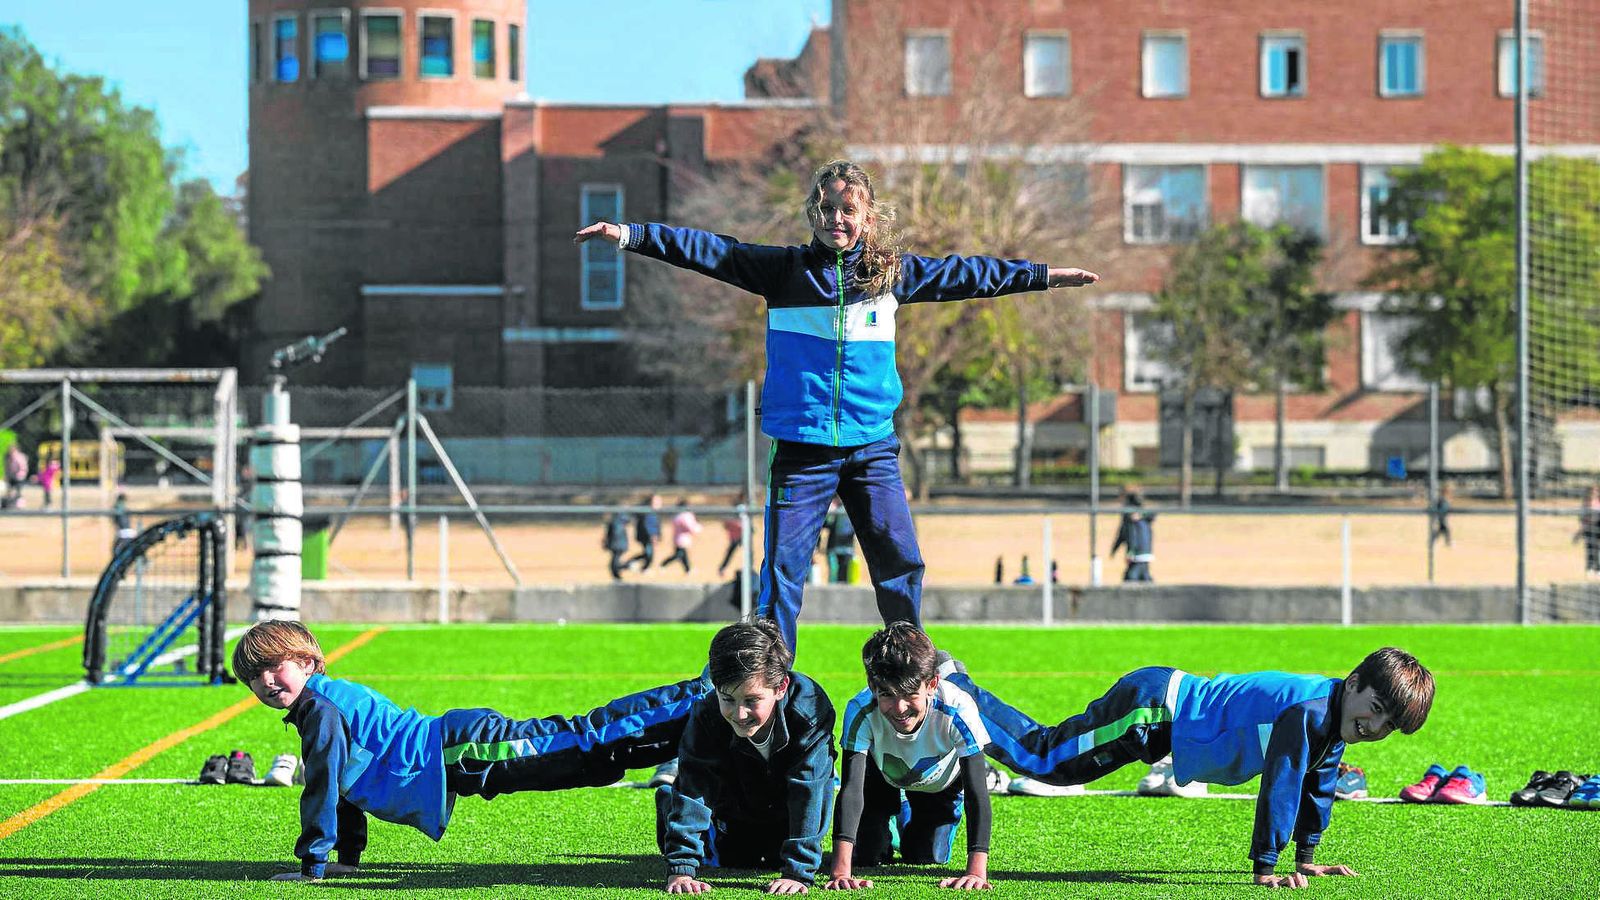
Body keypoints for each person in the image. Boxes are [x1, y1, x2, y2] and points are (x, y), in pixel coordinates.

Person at [575, 159, 1099, 654]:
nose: (837, 219)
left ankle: (908, 670)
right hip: (803, 451)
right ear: (813, 213)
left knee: (899, 562)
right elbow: (709, 249)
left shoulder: (891, 276)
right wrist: (628, 235)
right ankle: (773, 678)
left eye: (849, 210)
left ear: (867, 216)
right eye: (827, 208)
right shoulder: (782, 272)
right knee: (782, 571)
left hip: (871, 448)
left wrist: (1044, 275)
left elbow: (970, 274)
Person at [231, 619, 707, 882]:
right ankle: (698, 729)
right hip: (461, 757)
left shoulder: (321, 707)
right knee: (591, 758)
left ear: (309, 662)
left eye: (275, 666)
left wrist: (312, 866)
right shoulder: (318, 709)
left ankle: (699, 695)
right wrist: (346, 859)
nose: (267, 681)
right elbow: (340, 788)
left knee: (586, 739)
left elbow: (320, 786)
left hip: (465, 749)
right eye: (254, 676)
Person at [943, 647, 1434, 889]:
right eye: (1375, 708)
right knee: (1046, 760)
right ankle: (953, 686)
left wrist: (1306, 856)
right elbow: (1281, 786)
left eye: (1388, 725)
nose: (1374, 726)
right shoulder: (1308, 713)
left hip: (1165, 722)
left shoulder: (1332, 722)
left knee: (1049, 760)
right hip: (1154, 709)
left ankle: (958, 686)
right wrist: (1266, 869)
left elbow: (1318, 785)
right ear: (1353, 684)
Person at [657, 618, 836, 894]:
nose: (739, 714)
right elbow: (695, 787)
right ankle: (668, 805)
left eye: (752, 700)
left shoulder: (809, 711)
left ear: (780, 688)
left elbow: (810, 791)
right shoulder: (707, 714)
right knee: (731, 860)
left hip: (783, 811)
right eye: (728, 699)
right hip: (734, 808)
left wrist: (798, 872)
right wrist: (682, 868)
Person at [829, 622, 993, 891]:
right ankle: (891, 812)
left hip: (940, 785)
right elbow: (851, 788)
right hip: (881, 778)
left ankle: (904, 808)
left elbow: (977, 793)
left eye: (910, 694)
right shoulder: (860, 710)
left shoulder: (958, 707)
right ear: (872, 686)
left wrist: (976, 872)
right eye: (887, 695)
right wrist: (840, 871)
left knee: (925, 856)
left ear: (931, 684)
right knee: (868, 856)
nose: (900, 708)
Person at [1109, 487, 1155, 583]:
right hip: (1145, 552)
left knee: (1131, 579)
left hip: (1137, 553)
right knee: (1144, 577)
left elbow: (1128, 534)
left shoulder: (1129, 514)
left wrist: (1131, 552)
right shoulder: (1140, 513)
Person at [662, 497, 702, 573]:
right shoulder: (684, 516)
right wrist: (698, 528)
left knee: (683, 555)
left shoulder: (678, 516)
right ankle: (664, 564)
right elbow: (690, 527)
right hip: (682, 539)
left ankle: (688, 569)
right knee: (679, 555)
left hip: (679, 538)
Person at [823, 497, 857, 583]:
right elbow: (826, 525)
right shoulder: (834, 510)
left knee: (844, 574)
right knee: (834, 573)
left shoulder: (852, 510)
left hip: (847, 547)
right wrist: (830, 514)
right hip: (834, 547)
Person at [627, 494, 664, 572]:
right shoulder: (648, 513)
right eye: (657, 501)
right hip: (646, 537)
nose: (660, 503)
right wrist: (653, 536)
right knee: (649, 553)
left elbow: (656, 526)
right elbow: (648, 526)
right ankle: (636, 565)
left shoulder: (653, 513)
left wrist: (658, 535)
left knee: (649, 553)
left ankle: (639, 566)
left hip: (649, 536)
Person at [717, 492, 746, 577]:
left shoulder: (738, 508)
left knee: (733, 552)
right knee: (734, 552)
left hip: (739, 533)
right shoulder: (740, 508)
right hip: (739, 534)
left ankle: (722, 568)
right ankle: (722, 568)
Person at [1575, 485, 1600, 577]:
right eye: (1593, 491)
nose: (1594, 493)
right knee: (1589, 549)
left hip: (1597, 528)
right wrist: (1582, 528)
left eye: (1596, 491)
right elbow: (1581, 517)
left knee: (1597, 549)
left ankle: (1597, 569)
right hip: (1588, 529)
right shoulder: (1586, 503)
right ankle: (1589, 568)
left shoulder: (1598, 502)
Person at [603, 509, 632, 580]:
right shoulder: (617, 522)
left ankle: (628, 566)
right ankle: (617, 576)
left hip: (617, 545)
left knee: (614, 563)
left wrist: (608, 543)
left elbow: (614, 534)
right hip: (618, 545)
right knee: (614, 562)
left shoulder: (615, 522)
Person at [1429, 483, 1454, 549]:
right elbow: (1438, 508)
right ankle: (1448, 542)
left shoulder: (1444, 499)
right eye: (1448, 490)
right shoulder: (1441, 499)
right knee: (1445, 530)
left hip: (1443, 517)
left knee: (1442, 530)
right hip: (1441, 517)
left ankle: (1434, 542)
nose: (1450, 492)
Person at [3, 442, 28, 508]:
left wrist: (18, 473)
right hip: (12, 476)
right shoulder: (9, 457)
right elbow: (7, 467)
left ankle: (19, 504)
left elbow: (22, 467)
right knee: (9, 491)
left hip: (19, 477)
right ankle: (9, 504)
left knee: (18, 491)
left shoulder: (20, 457)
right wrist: (7, 475)